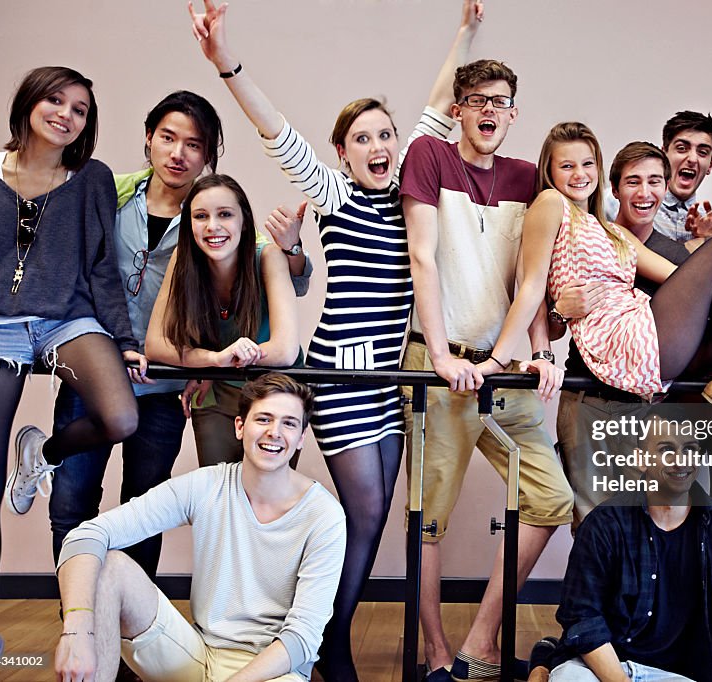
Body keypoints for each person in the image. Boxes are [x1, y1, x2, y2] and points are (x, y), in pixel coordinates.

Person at [188, 1, 482, 678]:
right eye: (363, 140)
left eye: (386, 136)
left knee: (371, 521)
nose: (379, 148)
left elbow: (439, 105)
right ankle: (325, 639)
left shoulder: (413, 189)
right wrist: (226, 62)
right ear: (343, 153)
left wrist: (466, 30)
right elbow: (275, 128)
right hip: (342, 377)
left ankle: (318, 633)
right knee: (368, 509)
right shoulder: (336, 194)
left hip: (388, 379)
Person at [399, 59, 573, 681]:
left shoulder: (529, 179)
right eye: (476, 100)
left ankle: (482, 640)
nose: (489, 111)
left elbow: (532, 280)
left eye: (501, 101)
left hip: (505, 370)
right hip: (436, 363)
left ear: (514, 112)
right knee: (428, 519)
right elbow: (424, 255)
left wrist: (540, 351)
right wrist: (441, 355)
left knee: (551, 499)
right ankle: (439, 655)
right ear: (459, 109)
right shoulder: (428, 156)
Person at [0, 66, 141, 680]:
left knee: (119, 416)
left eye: (81, 109)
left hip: (66, 319)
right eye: (55, 100)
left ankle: (43, 452)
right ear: (29, 103)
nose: (66, 114)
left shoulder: (90, 179)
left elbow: (100, 266)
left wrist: (122, 339)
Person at [485, 121, 712, 439]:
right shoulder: (551, 204)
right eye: (566, 166)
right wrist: (500, 360)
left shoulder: (613, 230)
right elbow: (532, 287)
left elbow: (678, 277)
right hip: (625, 346)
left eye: (587, 164)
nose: (579, 174)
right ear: (550, 172)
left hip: (640, 344)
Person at [39, 91, 225, 582]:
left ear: (207, 156)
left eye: (193, 144)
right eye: (167, 138)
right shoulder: (110, 192)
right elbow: (36, 198)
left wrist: (291, 249)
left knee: (143, 511)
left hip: (163, 386)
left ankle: (132, 639)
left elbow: (259, 267)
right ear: (149, 139)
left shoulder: (212, 214)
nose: (177, 153)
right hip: (96, 378)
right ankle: (78, 621)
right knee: (72, 499)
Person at [53, 373, 346, 682]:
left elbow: (303, 638)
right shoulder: (206, 485)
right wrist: (77, 630)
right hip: (197, 654)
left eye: (289, 423)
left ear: (301, 438)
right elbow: (86, 535)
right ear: (240, 427)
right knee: (109, 566)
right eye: (264, 419)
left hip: (273, 671)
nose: (275, 432)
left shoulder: (324, 515)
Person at [533, 413, 712, 682]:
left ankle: (541, 663)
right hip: (605, 665)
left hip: (673, 674)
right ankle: (546, 662)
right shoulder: (604, 523)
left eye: (690, 449)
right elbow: (581, 619)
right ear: (640, 460)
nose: (681, 460)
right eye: (667, 449)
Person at [549, 141, 690, 526]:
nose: (644, 193)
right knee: (593, 526)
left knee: (647, 529)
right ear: (614, 188)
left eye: (655, 181)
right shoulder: (588, 239)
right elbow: (548, 324)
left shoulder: (676, 256)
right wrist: (561, 310)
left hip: (652, 408)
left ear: (667, 186)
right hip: (589, 399)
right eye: (633, 182)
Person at [146, 174, 302, 465]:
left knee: (264, 497)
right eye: (200, 216)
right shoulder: (183, 259)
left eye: (225, 214)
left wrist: (229, 358)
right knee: (218, 493)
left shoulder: (267, 255)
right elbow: (155, 345)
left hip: (275, 394)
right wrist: (215, 360)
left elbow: (284, 350)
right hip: (215, 388)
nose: (212, 226)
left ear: (244, 220)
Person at [653, 110, 712, 243]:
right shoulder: (624, 203)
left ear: (711, 164)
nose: (693, 159)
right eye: (682, 148)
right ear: (663, 156)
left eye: (702, 152)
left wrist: (706, 240)